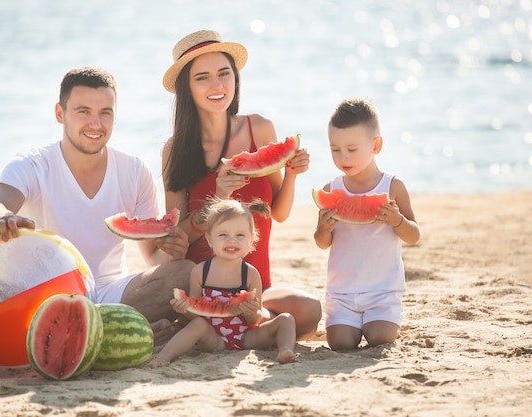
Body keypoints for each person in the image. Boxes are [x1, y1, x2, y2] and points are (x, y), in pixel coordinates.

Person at [0, 66, 193, 343]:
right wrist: (1, 217)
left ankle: (81, 330)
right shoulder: (31, 166)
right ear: (60, 113)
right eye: (83, 111)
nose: (96, 123)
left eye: (106, 112)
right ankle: (108, 330)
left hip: (110, 291)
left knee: (185, 273)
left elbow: (153, 257)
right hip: (47, 291)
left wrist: (173, 251)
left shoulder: (134, 171)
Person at [161, 29, 321, 339]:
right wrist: (218, 198)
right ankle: (228, 327)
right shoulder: (175, 149)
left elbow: (279, 212)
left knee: (311, 310)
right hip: (203, 287)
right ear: (187, 88)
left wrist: (292, 174)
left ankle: (236, 327)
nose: (217, 85)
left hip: (254, 285)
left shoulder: (259, 128)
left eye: (224, 74)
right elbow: (178, 238)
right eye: (202, 77)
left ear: (236, 78)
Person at [313, 97, 421, 351]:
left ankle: (379, 320)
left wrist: (398, 221)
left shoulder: (393, 187)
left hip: (383, 292)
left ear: (376, 145)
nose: (343, 157)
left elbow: (414, 235)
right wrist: (322, 230)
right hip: (342, 293)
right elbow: (322, 243)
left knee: (380, 338)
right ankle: (349, 322)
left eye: (352, 149)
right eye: (335, 149)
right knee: (340, 343)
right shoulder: (332, 189)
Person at [149, 198, 298, 366]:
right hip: (214, 337)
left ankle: (285, 350)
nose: (231, 241)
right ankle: (163, 357)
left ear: (251, 240)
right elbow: (196, 314)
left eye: (240, 235)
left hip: (247, 337)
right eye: (223, 235)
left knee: (286, 319)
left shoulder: (250, 274)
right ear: (210, 239)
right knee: (198, 325)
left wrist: (250, 312)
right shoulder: (200, 272)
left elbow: (254, 320)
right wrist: (184, 309)